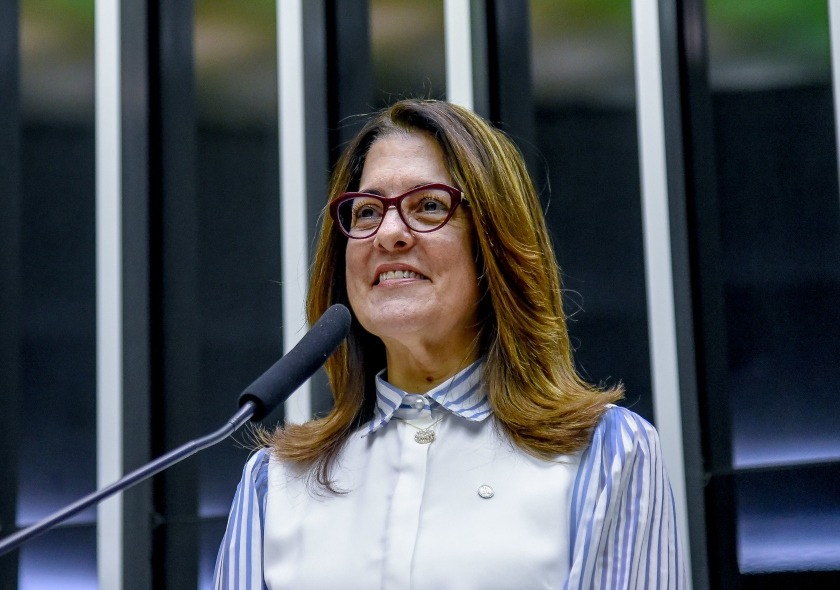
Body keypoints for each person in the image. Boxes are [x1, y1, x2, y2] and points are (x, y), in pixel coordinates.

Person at [213, 99, 686, 589]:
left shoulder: (605, 453)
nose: (389, 234)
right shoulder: (275, 484)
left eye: (429, 206)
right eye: (367, 211)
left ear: (493, 244)